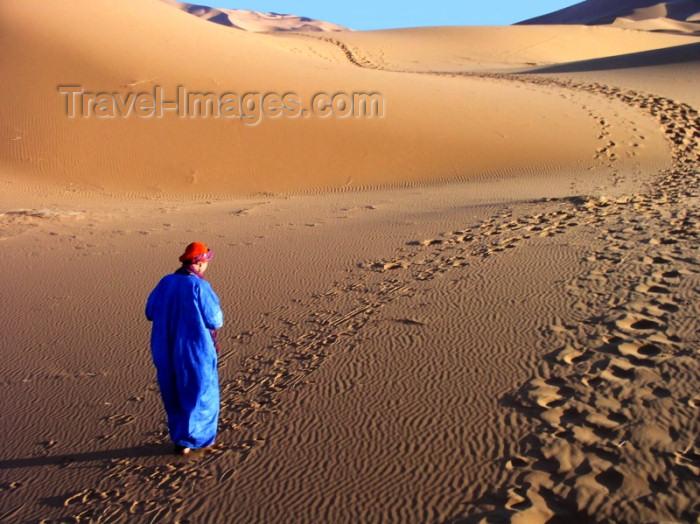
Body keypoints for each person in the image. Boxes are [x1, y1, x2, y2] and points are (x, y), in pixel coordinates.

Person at [145, 241, 223, 456]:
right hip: (194, 348)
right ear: (199, 263)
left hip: (165, 347)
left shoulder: (165, 282)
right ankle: (200, 440)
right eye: (206, 261)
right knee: (201, 392)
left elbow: (150, 311)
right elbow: (215, 320)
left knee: (175, 392)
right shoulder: (199, 286)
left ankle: (182, 441)